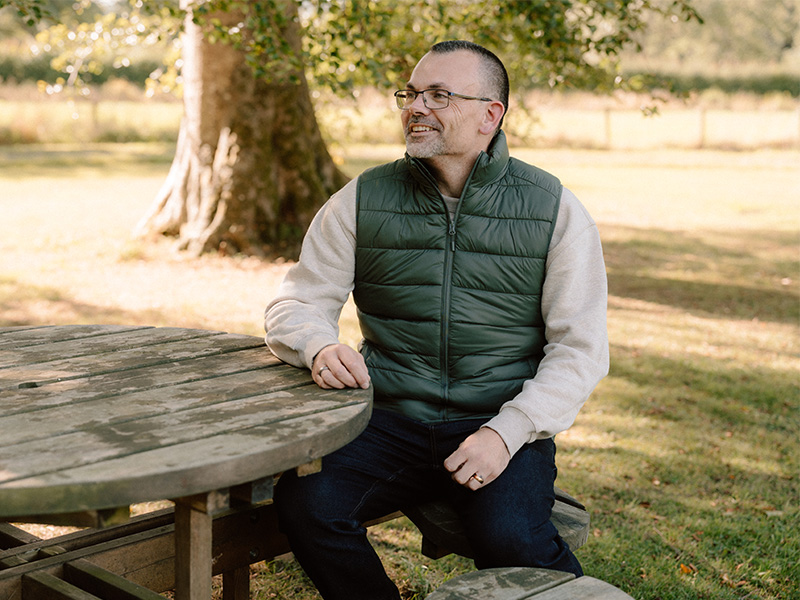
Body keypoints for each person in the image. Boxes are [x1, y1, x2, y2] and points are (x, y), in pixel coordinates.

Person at [264, 40, 609, 600]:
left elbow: (582, 350)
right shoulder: (362, 198)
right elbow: (296, 301)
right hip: (385, 418)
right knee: (308, 505)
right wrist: (318, 346)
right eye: (412, 93)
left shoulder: (553, 208)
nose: (415, 106)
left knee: (510, 536)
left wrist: (507, 433)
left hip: (500, 420)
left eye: (439, 95)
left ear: (489, 115)